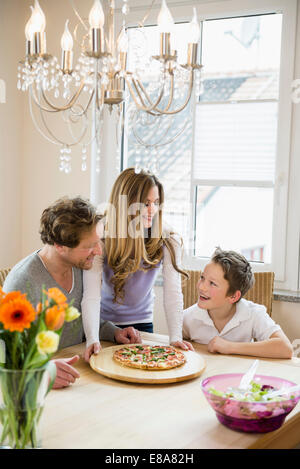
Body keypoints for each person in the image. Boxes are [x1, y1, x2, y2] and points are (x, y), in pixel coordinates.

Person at [3, 196, 141, 389]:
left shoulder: (80, 267)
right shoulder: (22, 282)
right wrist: (40, 372)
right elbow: (4, 354)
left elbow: (79, 321)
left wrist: (114, 332)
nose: (99, 251)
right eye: (89, 246)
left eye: (99, 241)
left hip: (78, 376)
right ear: (60, 246)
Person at [82, 167, 193, 362]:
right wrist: (92, 337)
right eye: (145, 203)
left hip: (142, 327)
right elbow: (91, 295)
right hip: (103, 327)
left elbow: (173, 293)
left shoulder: (168, 239)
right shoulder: (102, 236)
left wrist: (175, 337)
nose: (153, 210)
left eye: (156, 203)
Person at [182, 248, 293, 358]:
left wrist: (229, 347)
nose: (201, 287)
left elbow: (285, 348)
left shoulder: (253, 314)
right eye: (202, 278)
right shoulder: (187, 317)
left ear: (234, 296)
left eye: (212, 283)